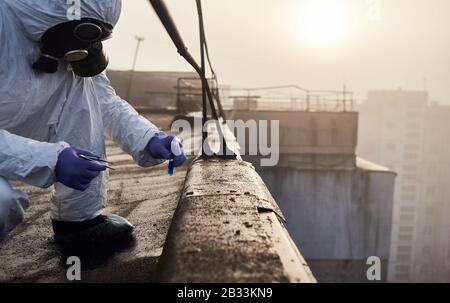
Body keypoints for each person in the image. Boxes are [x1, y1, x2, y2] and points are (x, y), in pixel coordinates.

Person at [0, 0, 186, 244]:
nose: (86, 47)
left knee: (83, 86)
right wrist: (49, 160)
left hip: (13, 125)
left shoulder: (68, 43)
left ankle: (79, 221)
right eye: (83, 34)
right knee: (3, 204)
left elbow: (104, 102)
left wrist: (149, 138)